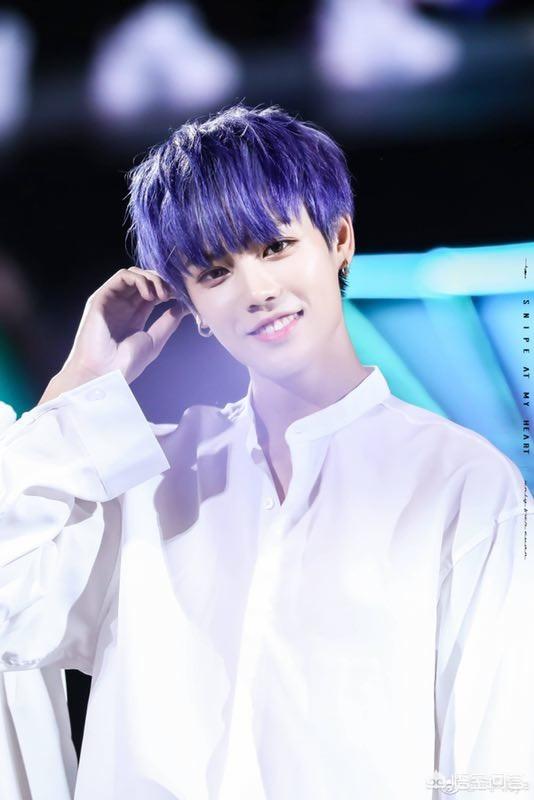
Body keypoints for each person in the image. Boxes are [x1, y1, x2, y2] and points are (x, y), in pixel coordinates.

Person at [0, 102, 533, 800]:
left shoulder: (462, 483)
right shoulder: (144, 481)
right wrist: (77, 389)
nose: (258, 290)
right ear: (186, 302)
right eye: (214, 272)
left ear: (339, 239)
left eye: (276, 247)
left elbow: (495, 768)